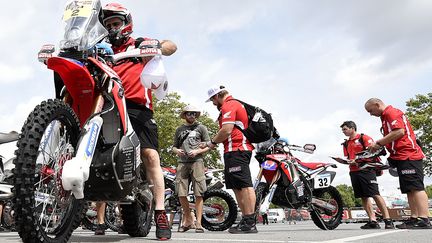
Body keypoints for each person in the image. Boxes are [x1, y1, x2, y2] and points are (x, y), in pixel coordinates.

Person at [102, 3, 177, 240]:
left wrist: (157, 46)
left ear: (126, 24)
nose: (112, 28)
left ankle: (161, 212)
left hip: (137, 107)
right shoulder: (101, 48)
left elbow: (171, 46)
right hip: (107, 106)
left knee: (150, 156)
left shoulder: (138, 44)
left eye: (115, 23)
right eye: (108, 25)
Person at [365, 98, 431, 229]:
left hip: (409, 154)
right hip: (400, 156)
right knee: (409, 188)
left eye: (370, 110)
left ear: (377, 105)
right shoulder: (384, 117)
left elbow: (399, 131)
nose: (370, 114)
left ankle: (424, 218)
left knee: (416, 187)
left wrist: (378, 143)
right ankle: (414, 217)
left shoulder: (391, 113)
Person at [200, 85, 257, 234]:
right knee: (237, 186)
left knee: (244, 185)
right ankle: (246, 219)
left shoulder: (229, 105)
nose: (213, 104)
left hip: (238, 149)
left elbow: (226, 130)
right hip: (232, 151)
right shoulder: (232, 105)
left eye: (213, 100)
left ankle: (250, 221)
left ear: (217, 96)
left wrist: (210, 144)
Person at [340, 121, 394, 229]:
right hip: (354, 171)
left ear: (352, 128)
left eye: (345, 129)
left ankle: (388, 220)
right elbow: (348, 157)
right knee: (363, 196)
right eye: (342, 130)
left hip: (367, 169)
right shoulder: (345, 143)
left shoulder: (364, 138)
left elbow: (374, 152)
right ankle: (372, 220)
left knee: (375, 193)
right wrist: (346, 161)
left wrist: (358, 161)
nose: (343, 132)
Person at [172, 105, 210, 233]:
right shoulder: (179, 129)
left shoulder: (201, 128)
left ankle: (198, 223)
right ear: (185, 115)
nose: (192, 116)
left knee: (199, 193)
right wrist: (178, 151)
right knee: (181, 193)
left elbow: (209, 145)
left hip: (197, 161)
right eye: (189, 113)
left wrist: (198, 151)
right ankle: (188, 219)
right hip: (182, 163)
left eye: (194, 113)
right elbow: (174, 147)